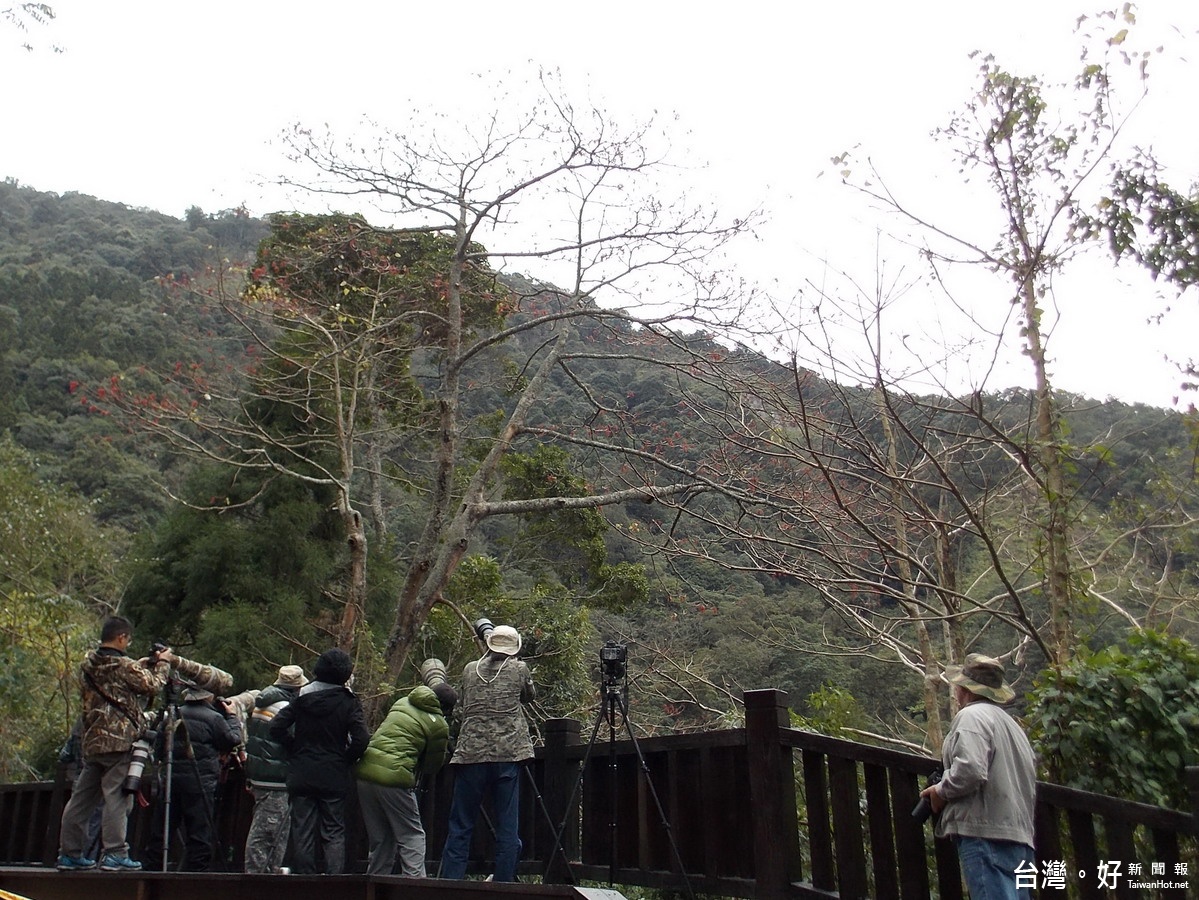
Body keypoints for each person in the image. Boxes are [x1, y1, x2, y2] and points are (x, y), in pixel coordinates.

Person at [57, 615, 230, 872]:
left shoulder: (89, 663)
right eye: (128, 639)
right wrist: (162, 663)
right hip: (119, 741)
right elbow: (153, 686)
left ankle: (69, 853)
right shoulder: (124, 666)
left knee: (81, 799)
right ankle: (116, 852)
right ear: (121, 637)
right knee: (117, 797)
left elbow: (118, 681)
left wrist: (140, 665)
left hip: (92, 740)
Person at [920, 653, 1037, 900]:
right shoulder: (1012, 726)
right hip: (1018, 837)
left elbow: (971, 769)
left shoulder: (972, 716)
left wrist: (941, 791)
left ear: (966, 689)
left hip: (986, 834)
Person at [439, 624, 535, 882]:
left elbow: (462, 704)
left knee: (460, 826)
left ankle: (450, 885)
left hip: (470, 754)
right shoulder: (519, 669)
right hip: (508, 754)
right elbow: (529, 696)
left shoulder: (471, 670)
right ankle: (503, 885)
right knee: (507, 826)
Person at [269, 648, 369, 875]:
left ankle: (305, 883)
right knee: (333, 830)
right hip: (333, 772)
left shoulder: (301, 697)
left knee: (302, 829)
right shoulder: (348, 702)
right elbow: (362, 738)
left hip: (302, 770)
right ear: (345, 674)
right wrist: (346, 758)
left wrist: (294, 747)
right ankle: (333, 885)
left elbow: (276, 727)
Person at [355, 683, 452, 876]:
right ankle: (415, 887)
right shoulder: (438, 724)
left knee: (381, 839)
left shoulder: (403, 702)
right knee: (412, 835)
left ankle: (374, 886)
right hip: (394, 777)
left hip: (365, 772)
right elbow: (432, 765)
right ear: (446, 709)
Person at [145, 686, 243, 871]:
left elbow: (158, 746)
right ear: (209, 696)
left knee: (162, 830)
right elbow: (232, 739)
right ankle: (197, 874)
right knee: (199, 832)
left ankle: (153, 870)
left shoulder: (173, 714)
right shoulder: (214, 718)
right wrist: (231, 717)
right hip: (200, 782)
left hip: (171, 781)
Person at [243, 664, 308, 874]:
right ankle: (261, 877)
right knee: (269, 832)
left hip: (259, 774)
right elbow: (295, 739)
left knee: (267, 828)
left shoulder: (262, 703)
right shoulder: (284, 708)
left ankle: (267, 872)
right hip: (275, 778)